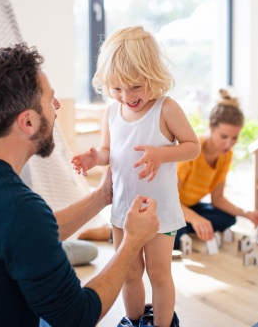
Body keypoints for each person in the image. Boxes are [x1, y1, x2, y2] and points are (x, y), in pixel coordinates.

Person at [0, 43, 160, 327]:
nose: (57, 106)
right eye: (50, 100)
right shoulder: (18, 207)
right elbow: (78, 317)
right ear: (29, 121)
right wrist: (132, 243)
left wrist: (100, 197)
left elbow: (27, 236)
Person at [71, 26, 201, 327]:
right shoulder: (111, 112)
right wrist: (95, 158)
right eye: (117, 88)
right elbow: (108, 151)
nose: (127, 97)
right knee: (129, 271)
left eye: (135, 87)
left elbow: (192, 147)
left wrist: (161, 154)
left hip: (160, 211)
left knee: (158, 273)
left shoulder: (166, 109)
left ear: (153, 76)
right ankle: (133, 320)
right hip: (122, 208)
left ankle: (162, 325)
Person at [175, 90, 258, 250]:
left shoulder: (226, 155)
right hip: (169, 207)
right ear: (211, 127)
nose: (229, 144)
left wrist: (248, 214)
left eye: (234, 137)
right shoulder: (191, 150)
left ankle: (187, 224)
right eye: (224, 137)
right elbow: (168, 200)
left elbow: (217, 199)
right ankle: (186, 225)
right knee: (177, 239)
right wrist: (196, 219)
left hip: (190, 206)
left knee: (229, 219)